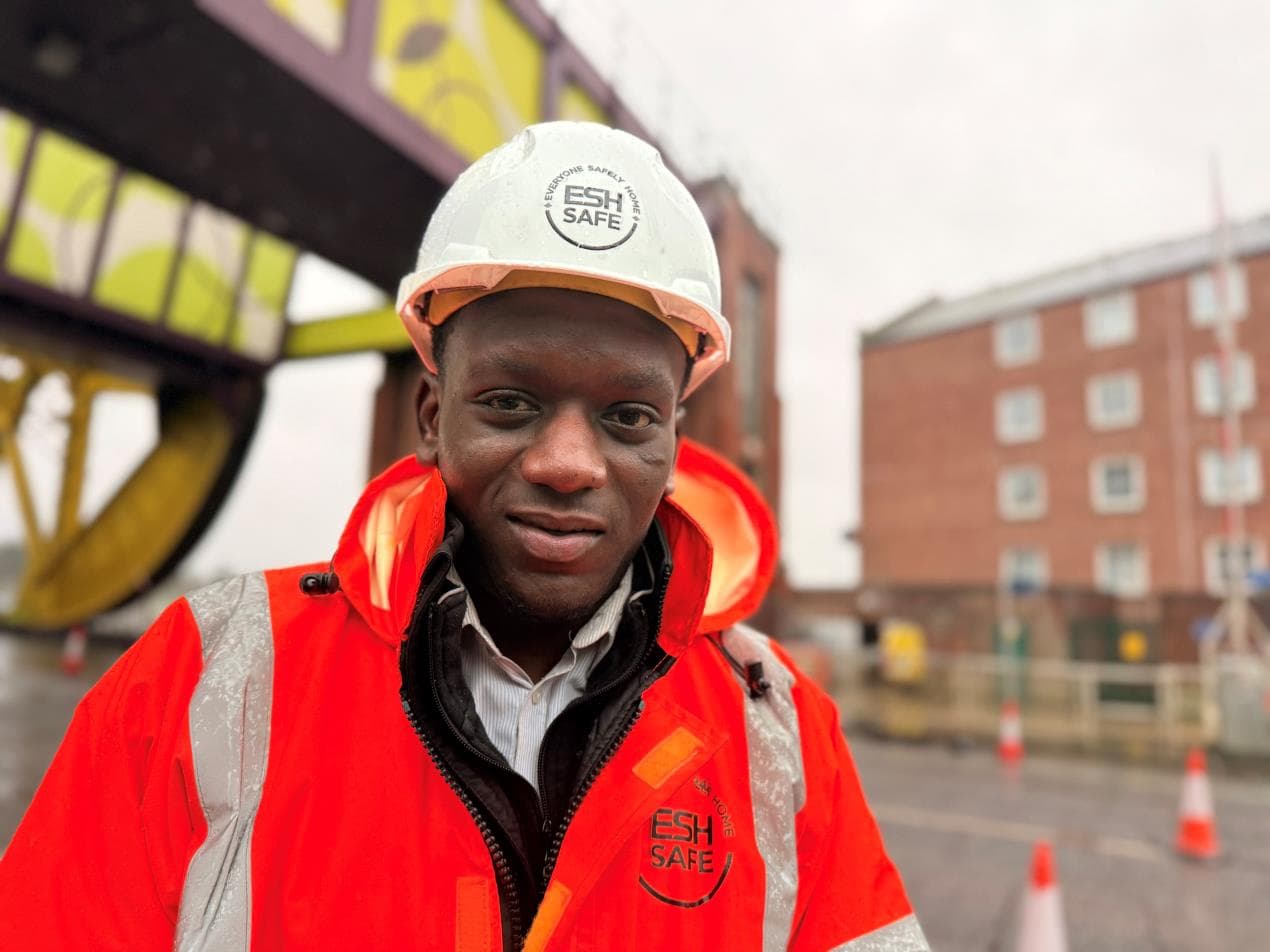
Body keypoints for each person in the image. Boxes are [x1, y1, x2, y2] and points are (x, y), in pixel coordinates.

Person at [0, 121, 927, 951]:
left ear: (674, 445)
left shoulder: (781, 728)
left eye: (628, 417)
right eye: (511, 403)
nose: (570, 462)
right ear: (432, 415)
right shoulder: (200, 681)